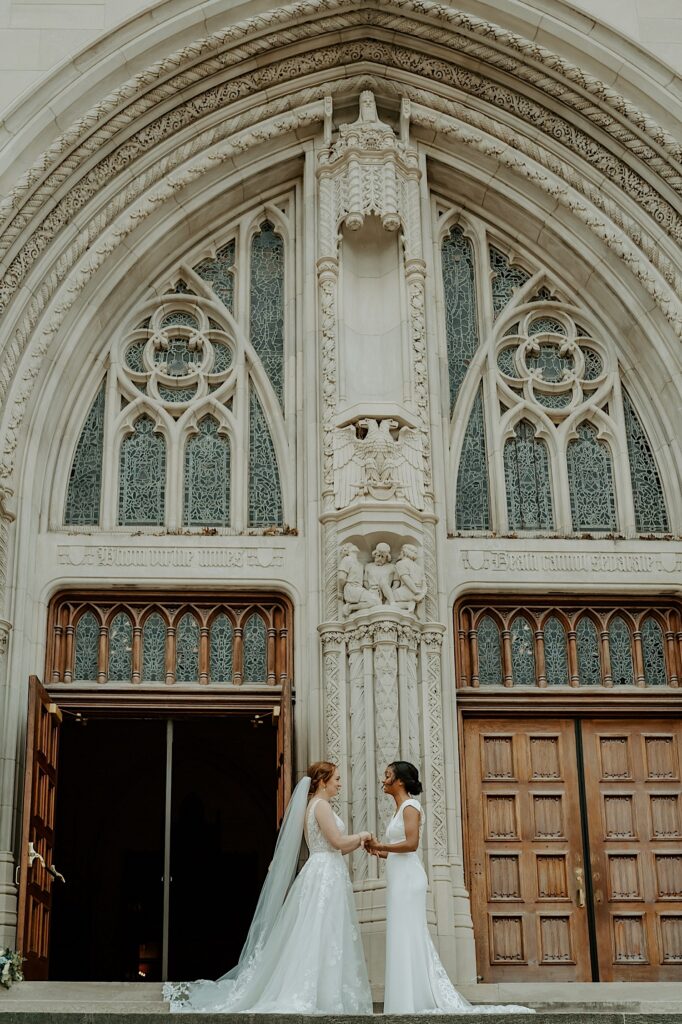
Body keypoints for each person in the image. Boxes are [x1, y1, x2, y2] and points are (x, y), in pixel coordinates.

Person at [164, 762, 373, 1013]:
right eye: (337, 779)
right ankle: (318, 992)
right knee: (320, 930)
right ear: (322, 781)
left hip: (324, 871)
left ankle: (324, 990)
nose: (340, 783)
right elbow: (337, 841)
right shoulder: (322, 807)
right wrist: (362, 835)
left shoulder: (312, 807)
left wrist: (360, 843)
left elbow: (337, 846)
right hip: (325, 874)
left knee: (321, 931)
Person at [367, 761, 534, 1015]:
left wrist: (382, 846)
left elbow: (411, 845)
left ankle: (413, 1000)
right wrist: (378, 851)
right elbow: (398, 852)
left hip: (409, 880)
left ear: (399, 781)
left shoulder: (411, 807)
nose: (383, 779)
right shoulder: (398, 809)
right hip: (398, 877)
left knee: (408, 933)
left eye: (387, 775)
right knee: (402, 935)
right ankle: (406, 998)